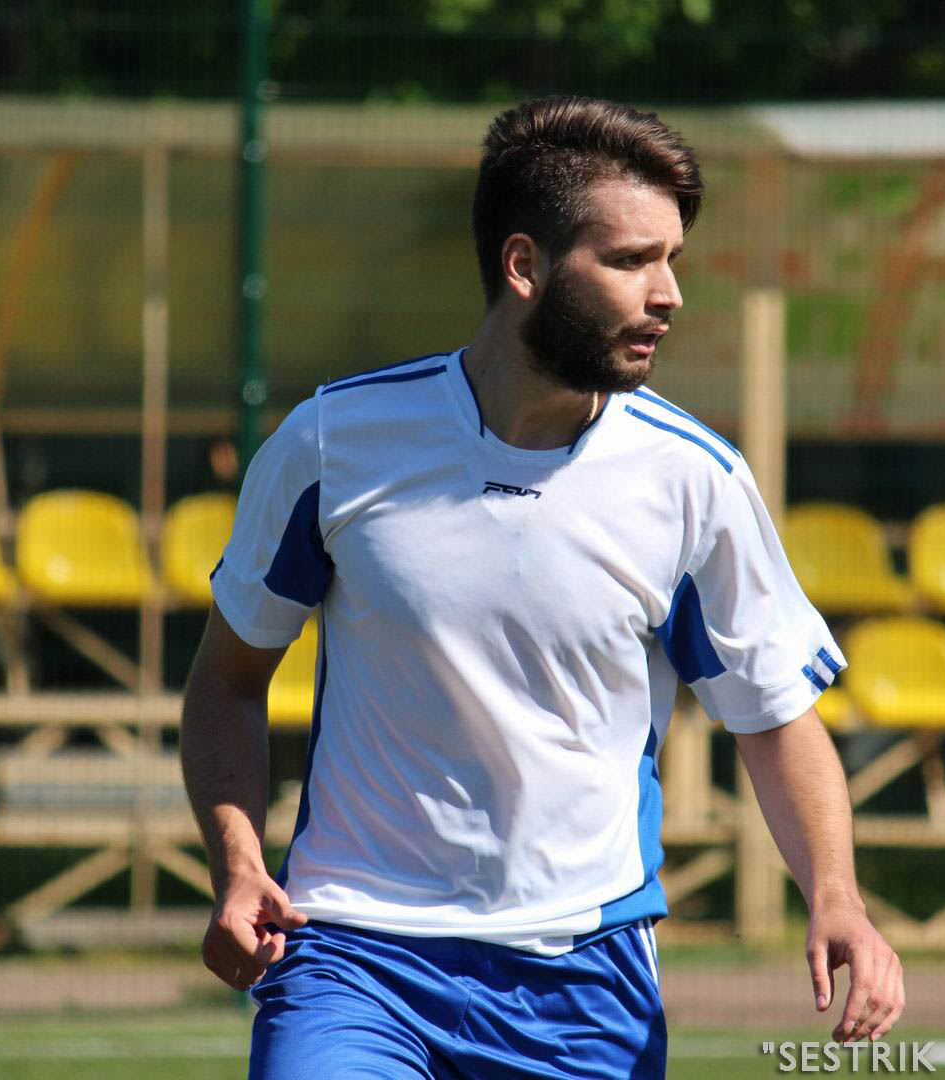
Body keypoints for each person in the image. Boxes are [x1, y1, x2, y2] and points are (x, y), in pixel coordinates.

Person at [181, 95, 903, 1079]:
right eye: (630, 260)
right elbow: (226, 680)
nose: (668, 293)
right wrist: (237, 863)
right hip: (354, 956)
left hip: (585, 983)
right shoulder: (332, 445)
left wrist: (836, 897)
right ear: (524, 266)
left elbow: (774, 719)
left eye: (672, 260)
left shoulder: (694, 480)